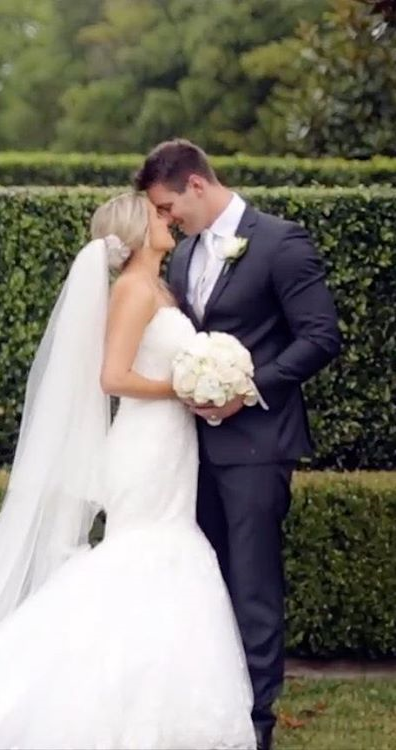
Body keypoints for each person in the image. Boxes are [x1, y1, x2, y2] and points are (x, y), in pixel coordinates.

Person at [0, 191, 257, 750]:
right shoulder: (133, 290)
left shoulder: (160, 287)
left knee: (166, 554)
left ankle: (162, 706)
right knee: (146, 554)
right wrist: (183, 389)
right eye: (157, 215)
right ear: (137, 231)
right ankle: (95, 701)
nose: (168, 219)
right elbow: (113, 377)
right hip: (145, 445)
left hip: (173, 445)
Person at [135, 138, 342, 750]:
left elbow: (320, 337)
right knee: (206, 585)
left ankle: (257, 723)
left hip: (258, 445)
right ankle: (210, 712)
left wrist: (246, 389)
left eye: (169, 206)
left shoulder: (280, 242)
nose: (167, 219)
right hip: (188, 450)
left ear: (198, 185)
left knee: (253, 585)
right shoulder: (183, 255)